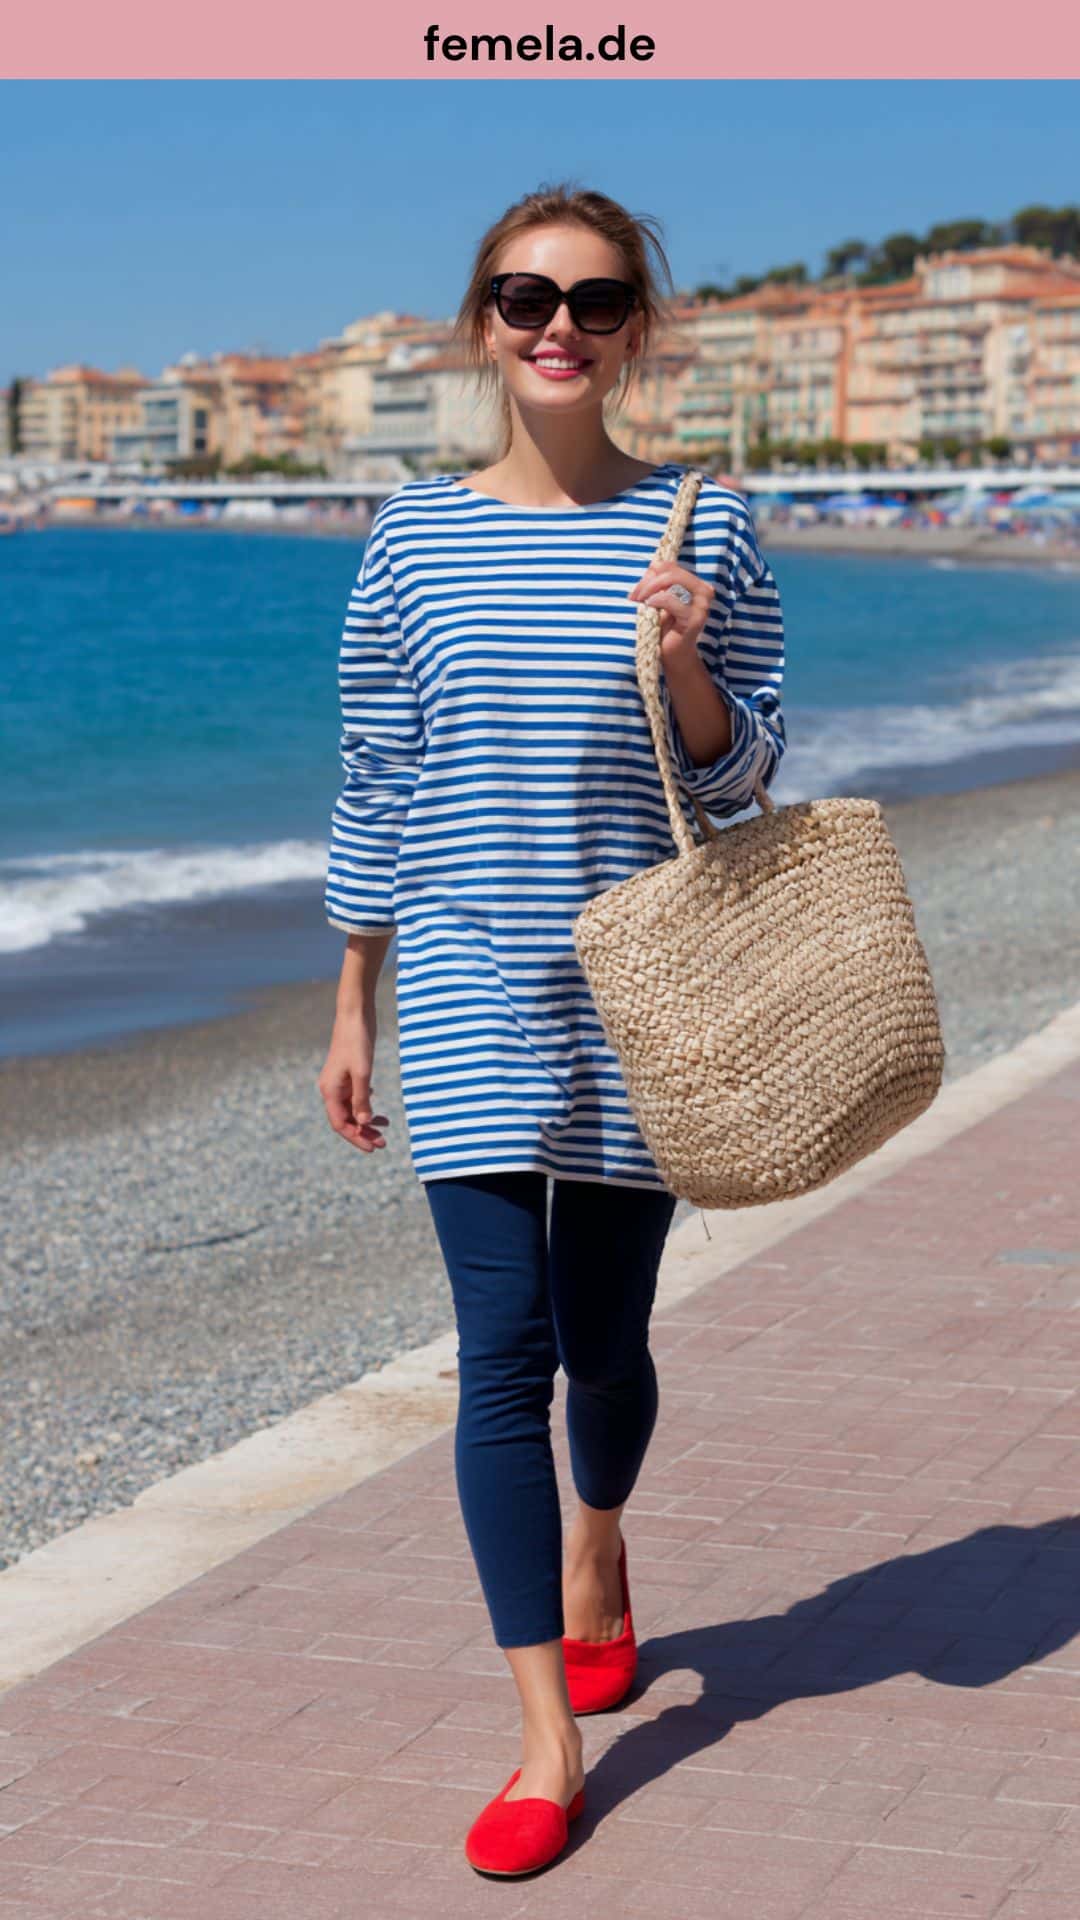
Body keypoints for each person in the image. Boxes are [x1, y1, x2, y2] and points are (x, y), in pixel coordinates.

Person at [317, 181, 786, 1878]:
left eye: (592, 301)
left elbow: (746, 780)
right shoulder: (410, 539)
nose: (558, 328)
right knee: (501, 1356)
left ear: (634, 329)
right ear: (484, 324)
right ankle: (546, 1740)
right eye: (526, 299)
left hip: (646, 1002)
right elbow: (379, 779)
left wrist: (687, 665)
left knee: (609, 1346)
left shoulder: (707, 528)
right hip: (463, 994)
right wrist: (352, 1000)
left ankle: (602, 1543)